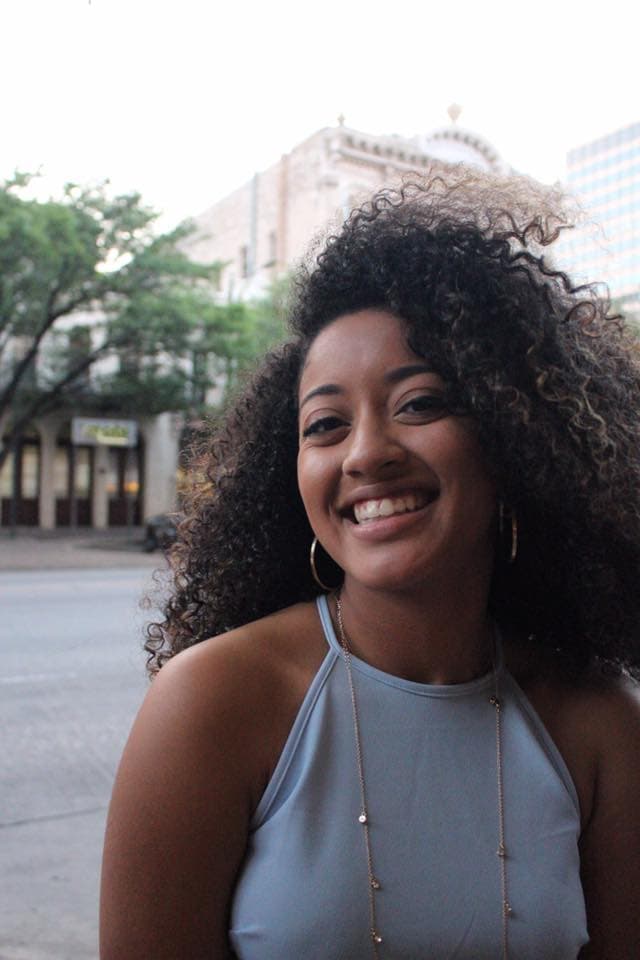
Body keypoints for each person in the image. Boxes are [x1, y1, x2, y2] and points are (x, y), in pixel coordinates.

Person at [100, 169, 640, 960]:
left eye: (419, 403)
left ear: (517, 437)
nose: (366, 455)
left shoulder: (599, 725)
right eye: (325, 424)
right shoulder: (213, 705)